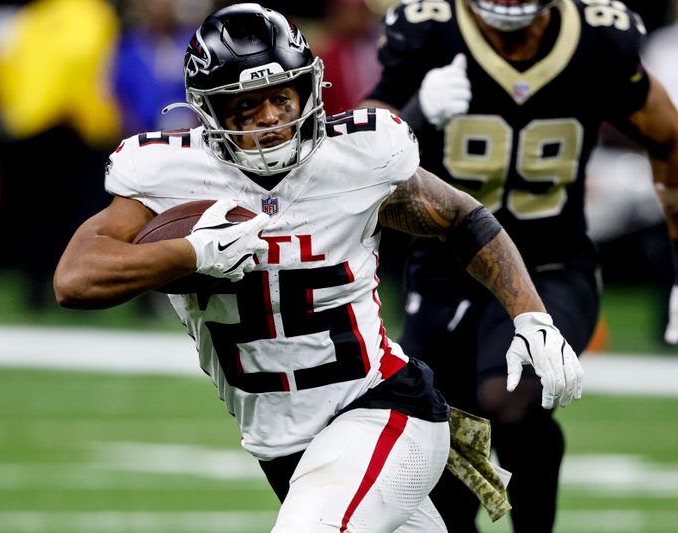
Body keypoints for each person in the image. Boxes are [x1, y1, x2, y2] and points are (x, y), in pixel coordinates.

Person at [54, 4, 584, 531]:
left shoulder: (352, 157)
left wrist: (531, 318)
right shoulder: (169, 174)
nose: (270, 119)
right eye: (246, 105)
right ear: (209, 110)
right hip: (284, 447)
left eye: (282, 98)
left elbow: (461, 216)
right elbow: (74, 281)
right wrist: (193, 253)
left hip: (384, 409)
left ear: (308, 90)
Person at [360, 0, 678, 531]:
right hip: (447, 269)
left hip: (551, 263)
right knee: (442, 427)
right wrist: (414, 112)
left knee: (512, 399)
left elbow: (667, 137)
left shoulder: (599, 37)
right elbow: (351, 152)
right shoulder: (428, 31)